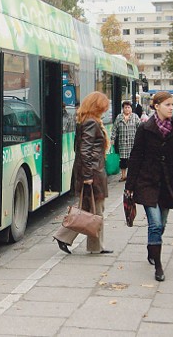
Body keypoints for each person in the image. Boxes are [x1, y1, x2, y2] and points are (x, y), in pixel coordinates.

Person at [125, 91, 173, 282]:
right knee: (156, 223)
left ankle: (152, 248)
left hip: (167, 183)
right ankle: (158, 266)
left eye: (172, 104)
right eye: (167, 104)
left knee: (162, 224)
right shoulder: (145, 128)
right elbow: (136, 156)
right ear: (157, 106)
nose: (171, 108)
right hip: (148, 181)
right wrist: (130, 185)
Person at [54, 91, 112, 255]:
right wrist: (88, 176)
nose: (105, 110)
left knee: (88, 209)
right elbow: (85, 151)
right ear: (97, 106)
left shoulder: (85, 121)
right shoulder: (92, 123)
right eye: (103, 106)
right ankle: (93, 246)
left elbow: (79, 150)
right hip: (93, 172)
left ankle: (83, 243)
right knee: (96, 210)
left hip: (90, 171)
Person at [110, 100, 140, 181]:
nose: (127, 109)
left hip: (132, 142)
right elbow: (114, 129)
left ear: (131, 108)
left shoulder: (135, 117)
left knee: (132, 160)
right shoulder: (119, 117)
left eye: (129, 107)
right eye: (125, 107)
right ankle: (123, 176)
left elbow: (139, 128)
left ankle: (131, 176)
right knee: (123, 160)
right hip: (122, 142)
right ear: (123, 108)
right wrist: (112, 138)